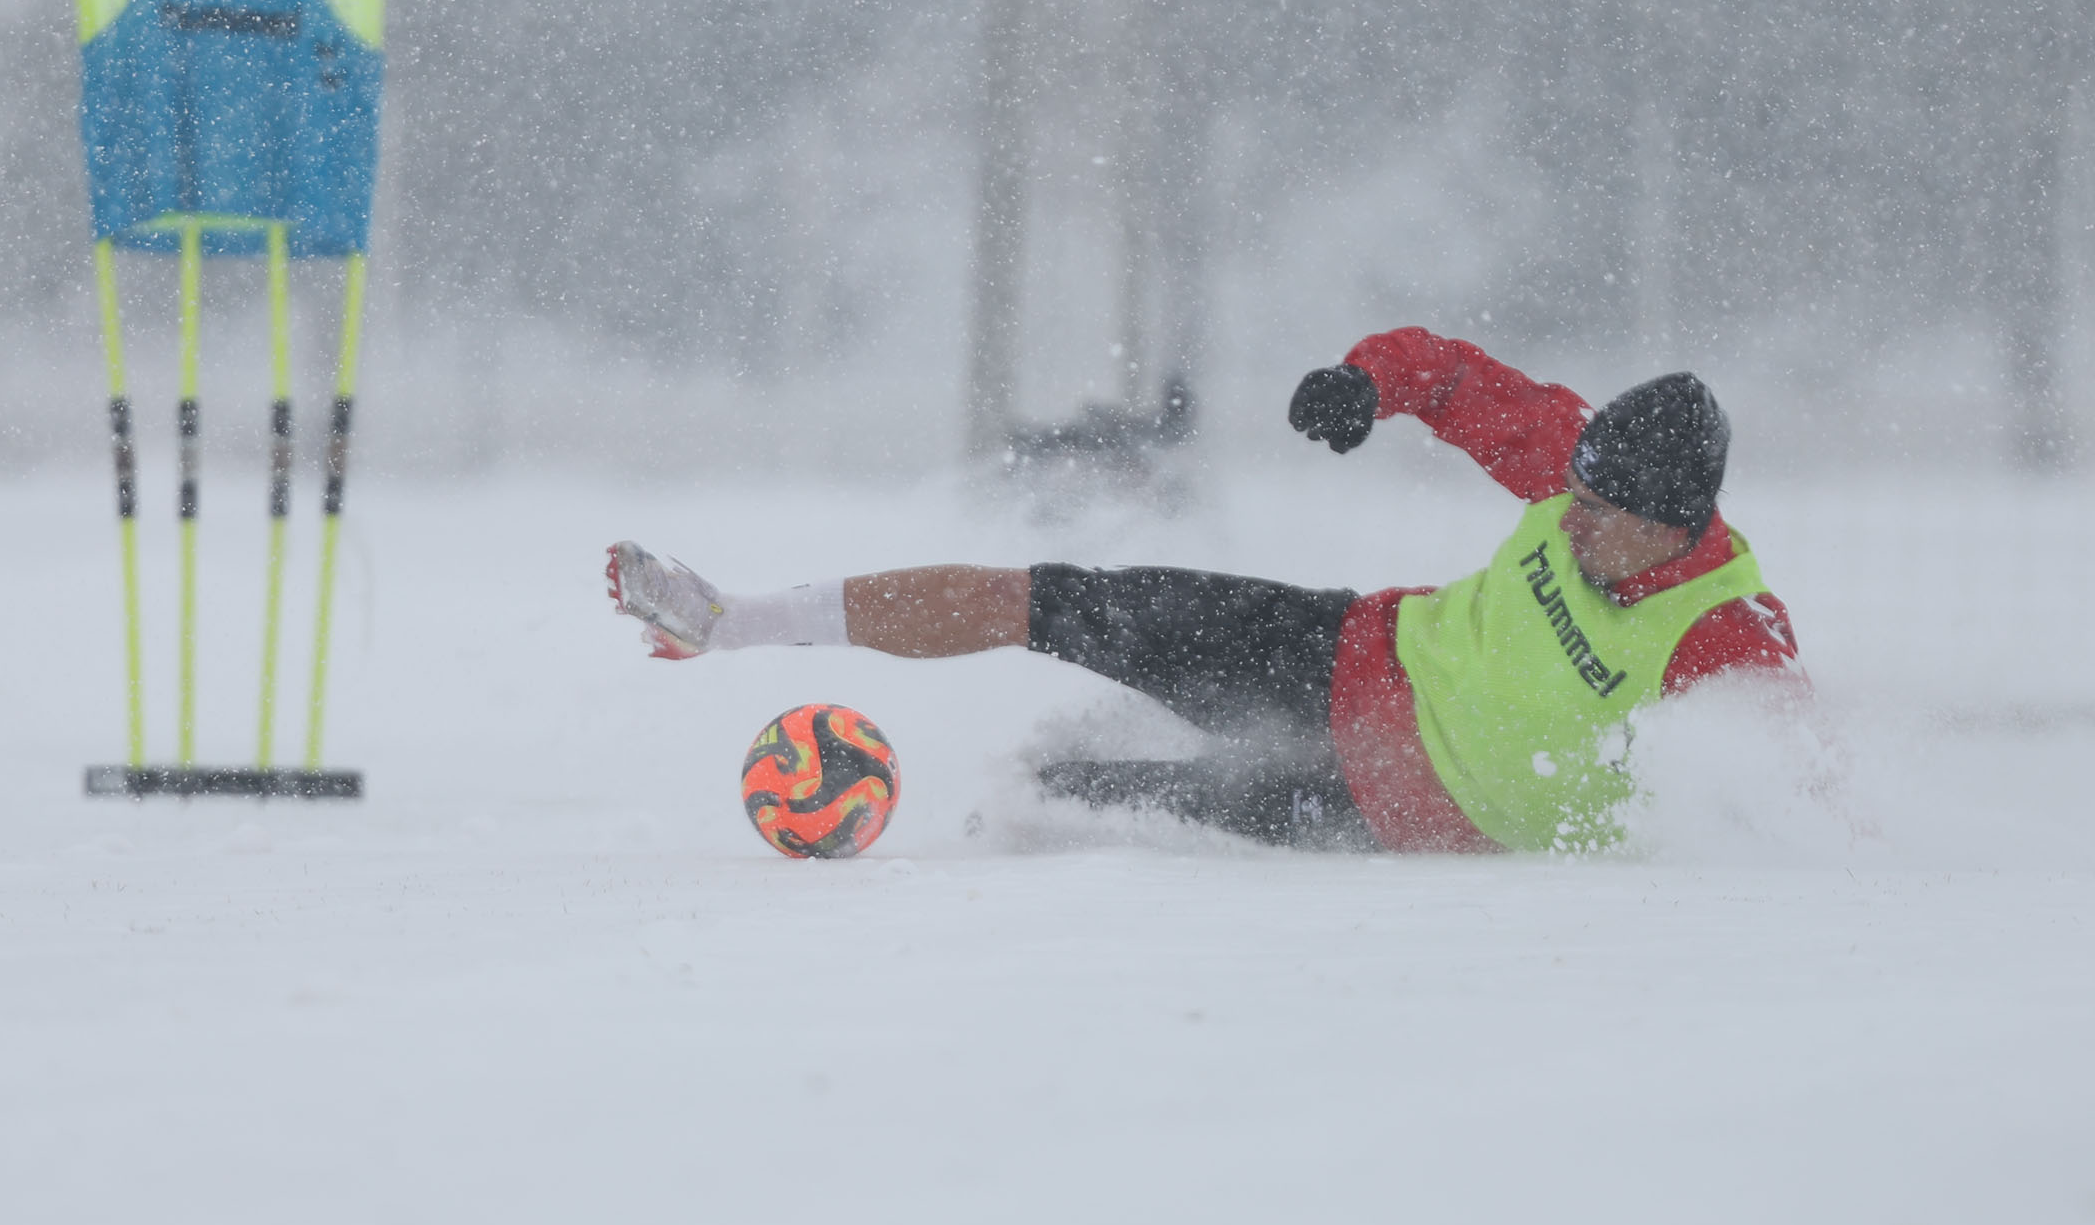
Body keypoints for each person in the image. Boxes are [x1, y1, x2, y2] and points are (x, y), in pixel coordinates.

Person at [606, 328, 1802, 853]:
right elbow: (1447, 369)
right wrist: (1363, 381)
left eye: (1599, 514)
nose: (1571, 514)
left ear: (1669, 527)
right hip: (1337, 650)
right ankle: (732, 620)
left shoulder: (1724, 637)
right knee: (1057, 597)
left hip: (1386, 814)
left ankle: (1076, 764)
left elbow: (1791, 789)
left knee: (1065, 799)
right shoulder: (1571, 461)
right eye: (1571, 490)